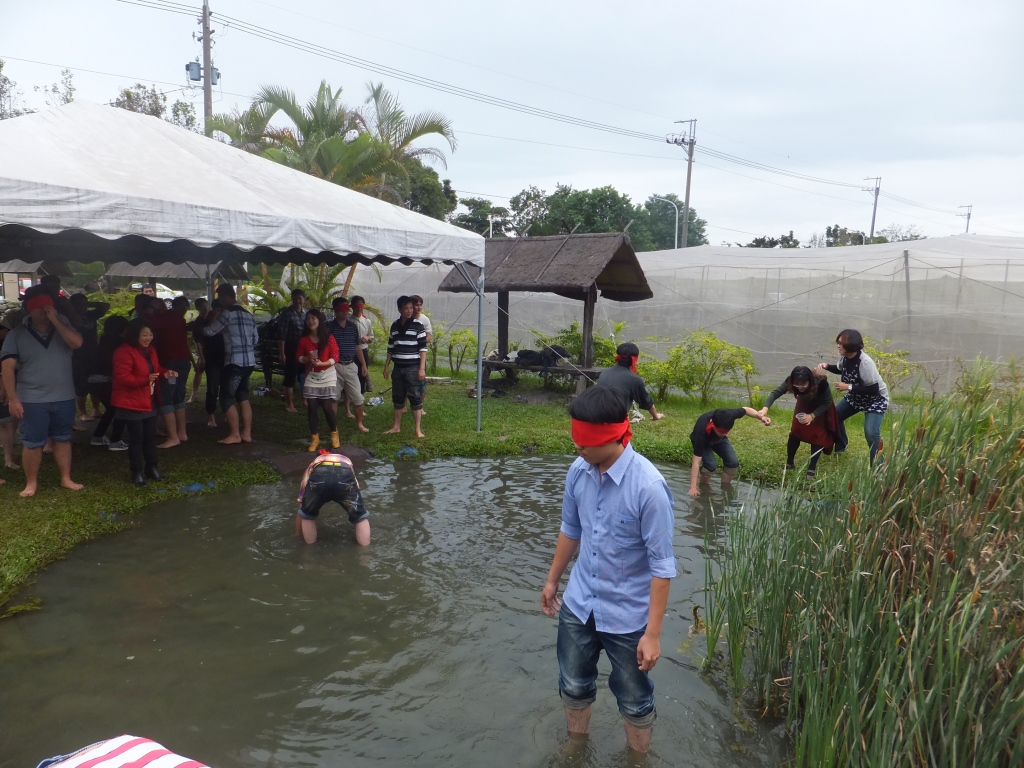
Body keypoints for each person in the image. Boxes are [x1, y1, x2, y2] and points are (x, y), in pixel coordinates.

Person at [540, 386, 676, 754]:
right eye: (576, 440)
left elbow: (662, 567)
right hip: (580, 602)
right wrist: (553, 581)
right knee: (573, 682)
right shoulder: (578, 471)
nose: (578, 448)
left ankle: (637, 759)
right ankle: (576, 745)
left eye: (585, 442)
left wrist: (653, 634)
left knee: (634, 698)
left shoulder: (649, 488)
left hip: (629, 616)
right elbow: (571, 528)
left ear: (613, 435)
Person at [0, 290, 84, 497]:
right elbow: (7, 367)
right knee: (33, 442)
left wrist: (56, 320)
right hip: (32, 397)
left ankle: (66, 478)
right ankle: (31, 483)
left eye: (47, 306)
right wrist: (13, 398)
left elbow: (77, 343)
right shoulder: (17, 333)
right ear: (30, 309)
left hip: (63, 395)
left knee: (63, 438)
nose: (43, 311)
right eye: (38, 307)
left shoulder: (62, 326)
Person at [112, 318, 176, 487]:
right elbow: (122, 378)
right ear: (135, 335)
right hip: (131, 402)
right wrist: (145, 380)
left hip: (149, 400)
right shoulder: (124, 352)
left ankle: (152, 467)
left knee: (150, 436)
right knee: (137, 438)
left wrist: (165, 373)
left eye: (151, 334)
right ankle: (137, 472)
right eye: (145, 335)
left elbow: (154, 371)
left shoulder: (150, 351)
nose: (149, 338)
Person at [816, 328, 889, 464]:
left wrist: (848, 387)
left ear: (851, 345)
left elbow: (874, 389)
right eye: (838, 342)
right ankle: (841, 445)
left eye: (841, 343)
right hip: (856, 397)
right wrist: (826, 366)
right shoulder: (846, 358)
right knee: (834, 416)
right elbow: (839, 369)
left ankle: (879, 467)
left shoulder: (865, 363)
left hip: (875, 399)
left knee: (871, 432)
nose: (838, 345)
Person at [758, 365, 839, 478]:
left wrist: (812, 415)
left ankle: (812, 468)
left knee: (818, 436)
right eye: (797, 384)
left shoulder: (821, 384)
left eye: (803, 384)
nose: (800, 387)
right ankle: (790, 463)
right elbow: (775, 393)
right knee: (796, 433)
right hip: (804, 404)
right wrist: (765, 409)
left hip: (820, 407)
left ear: (809, 381)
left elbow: (827, 402)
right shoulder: (790, 381)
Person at [203, 284, 259, 445]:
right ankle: (246, 433)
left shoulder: (227, 313)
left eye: (220, 298)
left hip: (234, 361)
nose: (220, 302)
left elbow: (210, 331)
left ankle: (235, 434)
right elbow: (256, 339)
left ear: (225, 297)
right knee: (243, 396)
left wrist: (208, 321)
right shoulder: (249, 315)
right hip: (249, 362)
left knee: (226, 398)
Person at [687, 406, 771, 498]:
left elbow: (746, 409)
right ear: (714, 426)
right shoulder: (701, 430)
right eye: (723, 432)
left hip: (719, 440)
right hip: (704, 442)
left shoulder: (728, 415)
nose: (726, 434)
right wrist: (693, 487)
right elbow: (696, 461)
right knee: (710, 465)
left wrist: (761, 417)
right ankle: (703, 487)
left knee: (733, 463)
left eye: (728, 431)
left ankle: (725, 488)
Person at [295, 450, 370, 545]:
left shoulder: (314, 464)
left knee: (307, 514)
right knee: (360, 516)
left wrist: (297, 533)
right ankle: (366, 553)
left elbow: (301, 502)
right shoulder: (346, 460)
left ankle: (309, 551)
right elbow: (356, 487)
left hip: (319, 476)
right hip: (344, 473)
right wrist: (358, 508)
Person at [148, 295, 192, 448]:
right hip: (183, 361)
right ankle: (182, 432)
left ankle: (173, 437)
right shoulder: (179, 319)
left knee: (166, 398)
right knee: (179, 396)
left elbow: (149, 325)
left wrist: (150, 311)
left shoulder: (165, 318)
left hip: (170, 362)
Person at [382, 296, 427, 438]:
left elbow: (423, 349)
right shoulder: (395, 326)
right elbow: (391, 347)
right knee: (398, 396)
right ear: (400, 309)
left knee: (415, 396)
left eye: (411, 308)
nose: (409, 310)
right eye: (406, 308)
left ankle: (418, 429)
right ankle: (396, 426)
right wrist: (386, 366)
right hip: (398, 367)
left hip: (413, 367)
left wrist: (421, 368)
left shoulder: (418, 325)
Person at [296, 308, 339, 452]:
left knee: (327, 407)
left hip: (327, 374)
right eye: (308, 318)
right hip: (312, 376)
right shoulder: (304, 339)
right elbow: (298, 357)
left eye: (314, 318)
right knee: (311, 407)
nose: (311, 321)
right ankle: (314, 438)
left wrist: (323, 363)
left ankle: (334, 434)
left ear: (320, 320)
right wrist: (306, 358)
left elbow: (335, 357)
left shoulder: (329, 337)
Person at [326, 296, 370, 433]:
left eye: (347, 308)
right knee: (334, 398)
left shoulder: (352, 326)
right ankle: (333, 427)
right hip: (334, 367)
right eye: (341, 309)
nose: (345, 312)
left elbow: (357, 346)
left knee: (358, 397)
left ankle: (360, 424)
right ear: (335, 310)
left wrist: (363, 364)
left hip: (351, 365)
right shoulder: (329, 327)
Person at [87, 314, 129, 451]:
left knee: (111, 409)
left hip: (94, 380)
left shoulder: (103, 340)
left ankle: (98, 436)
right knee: (120, 409)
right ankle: (115, 440)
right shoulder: (119, 343)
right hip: (107, 380)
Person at [596, 342, 664, 421]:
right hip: (613, 421)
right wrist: (656, 416)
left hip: (594, 416)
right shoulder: (634, 379)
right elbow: (646, 402)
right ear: (635, 360)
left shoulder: (605, 372)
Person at [68, 292, 110, 421]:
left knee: (94, 384)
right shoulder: (68, 317)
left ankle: (96, 409)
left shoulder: (90, 315)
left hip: (93, 354)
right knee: (81, 387)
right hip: (77, 356)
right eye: (78, 305)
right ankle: (82, 412)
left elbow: (105, 306)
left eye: (83, 305)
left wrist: (88, 304)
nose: (82, 308)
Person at [189, 297, 224, 427]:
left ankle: (224, 413)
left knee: (223, 385)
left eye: (206, 305)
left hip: (222, 357)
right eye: (202, 306)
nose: (205, 308)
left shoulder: (221, 319)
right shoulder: (202, 322)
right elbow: (200, 339)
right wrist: (202, 357)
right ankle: (210, 415)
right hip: (209, 355)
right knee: (210, 383)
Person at [278, 289, 307, 413]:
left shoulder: (306, 313)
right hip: (291, 348)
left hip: (304, 349)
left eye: (300, 298)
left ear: (304, 300)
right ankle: (289, 404)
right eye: (295, 298)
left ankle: (304, 400)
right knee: (290, 376)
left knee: (303, 375)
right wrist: (282, 353)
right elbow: (282, 335)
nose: (297, 301)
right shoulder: (287, 313)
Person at [411, 295, 432, 411]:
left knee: (421, 381)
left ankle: (420, 406)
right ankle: (403, 405)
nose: (419, 307)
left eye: (420, 305)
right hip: (407, 355)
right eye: (416, 305)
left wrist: (422, 341)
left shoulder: (424, 319)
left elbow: (429, 334)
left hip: (420, 355)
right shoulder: (406, 318)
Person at [351, 295, 374, 393]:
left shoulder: (367, 321)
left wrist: (367, 338)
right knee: (351, 374)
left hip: (363, 350)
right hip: (351, 352)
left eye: (361, 305)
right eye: (356, 305)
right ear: (352, 306)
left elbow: (371, 337)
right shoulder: (348, 321)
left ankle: (361, 394)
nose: (359, 308)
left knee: (363, 373)